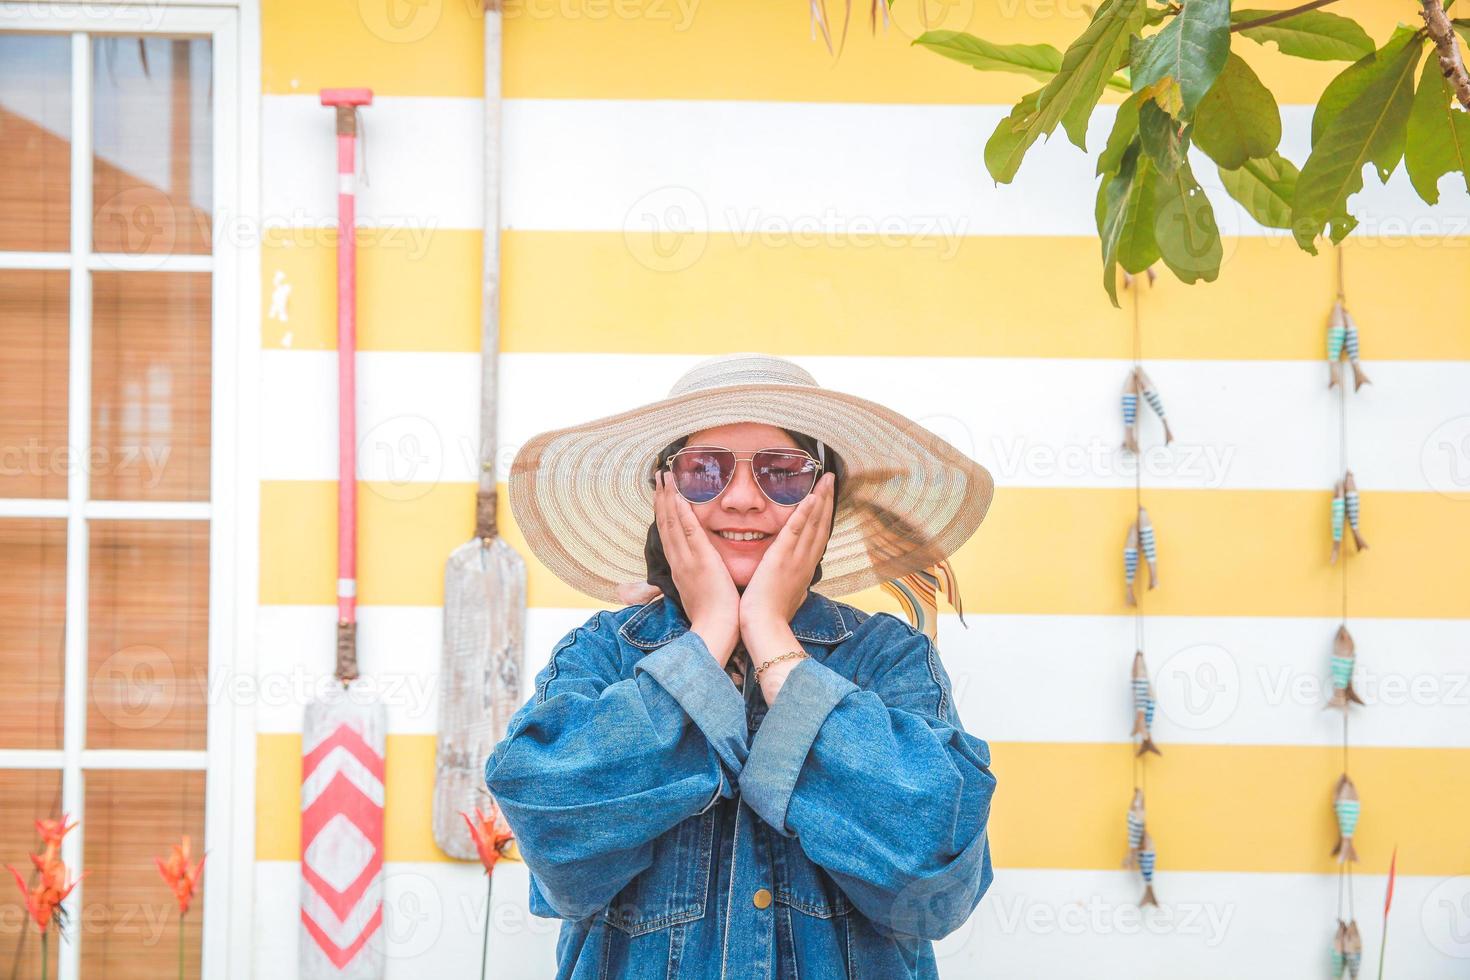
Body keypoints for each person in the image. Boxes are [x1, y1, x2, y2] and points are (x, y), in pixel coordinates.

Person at [487, 352, 998, 978]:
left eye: (783, 473)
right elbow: (555, 840)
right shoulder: (606, 652)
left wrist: (772, 639)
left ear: (823, 498)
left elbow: (935, 883)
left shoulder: (890, 659)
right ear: (664, 496)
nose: (743, 500)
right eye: (705, 470)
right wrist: (706, 637)